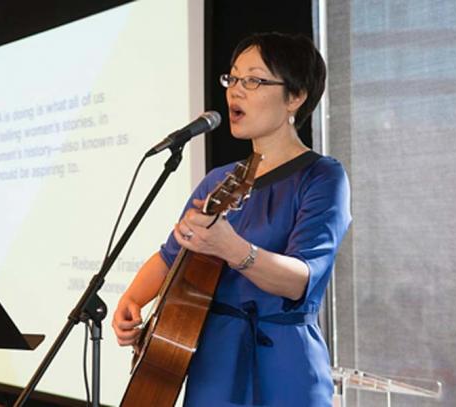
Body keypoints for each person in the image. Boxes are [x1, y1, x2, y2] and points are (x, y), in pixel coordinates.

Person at [112, 32, 351, 406]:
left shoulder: (322, 176)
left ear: (296, 96)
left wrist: (234, 249)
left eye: (253, 80)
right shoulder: (219, 180)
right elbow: (171, 256)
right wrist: (133, 299)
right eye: (233, 78)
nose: (236, 91)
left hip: (283, 361)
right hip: (213, 359)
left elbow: (301, 279)